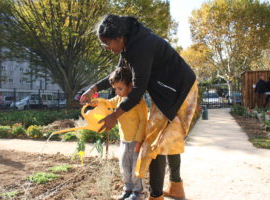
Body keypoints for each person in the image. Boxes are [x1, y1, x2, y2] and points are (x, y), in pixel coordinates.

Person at [80, 14, 198, 200]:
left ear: (119, 38)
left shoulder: (141, 47)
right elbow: (118, 75)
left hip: (180, 90)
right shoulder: (129, 45)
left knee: (156, 142)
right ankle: (176, 187)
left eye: (107, 43)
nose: (107, 49)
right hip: (170, 89)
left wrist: (114, 116)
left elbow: (136, 91)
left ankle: (156, 195)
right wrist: (93, 89)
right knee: (169, 140)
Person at [104, 67, 147, 200]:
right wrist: (96, 102)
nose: (117, 92)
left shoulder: (139, 102)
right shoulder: (118, 99)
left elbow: (143, 122)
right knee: (124, 166)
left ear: (130, 86)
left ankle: (138, 192)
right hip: (124, 140)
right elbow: (107, 103)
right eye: (115, 89)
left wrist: (139, 141)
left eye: (120, 88)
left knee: (136, 167)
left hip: (135, 141)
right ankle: (127, 188)